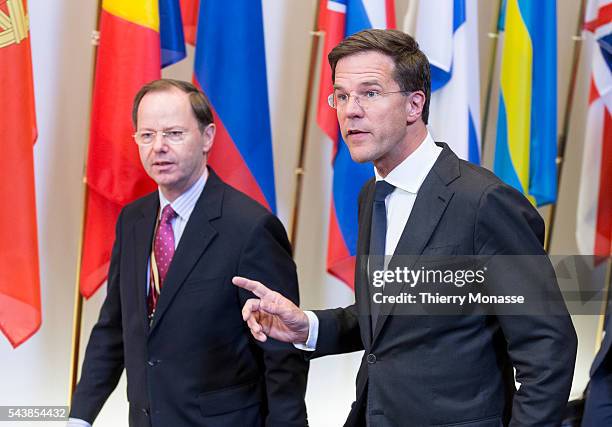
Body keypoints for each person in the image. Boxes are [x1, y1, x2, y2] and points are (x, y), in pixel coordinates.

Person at [233, 29, 577, 426]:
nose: (350, 111)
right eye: (341, 96)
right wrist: (306, 326)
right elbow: (389, 318)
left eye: (370, 93)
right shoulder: (372, 196)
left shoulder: (484, 203)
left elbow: (549, 349)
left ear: (415, 104)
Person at [69, 79, 308, 427]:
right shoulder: (133, 220)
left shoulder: (251, 227)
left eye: (174, 133)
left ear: (208, 137)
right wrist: (80, 417)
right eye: (147, 135)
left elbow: (282, 356)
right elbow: (115, 327)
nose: (159, 147)